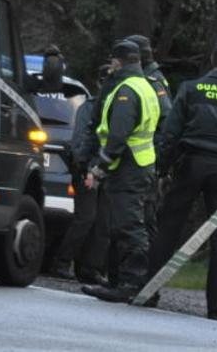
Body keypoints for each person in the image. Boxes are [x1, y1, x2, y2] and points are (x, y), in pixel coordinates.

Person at [145, 37, 217, 321]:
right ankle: (216, 309)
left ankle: (148, 290)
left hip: (190, 165)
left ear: (212, 61)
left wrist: (162, 168)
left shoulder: (190, 89)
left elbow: (171, 133)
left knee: (168, 227)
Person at [81, 39, 161, 303]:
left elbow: (117, 136)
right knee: (129, 224)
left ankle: (132, 284)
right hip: (141, 164)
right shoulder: (146, 85)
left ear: (118, 61)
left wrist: (98, 167)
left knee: (129, 226)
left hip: (127, 167)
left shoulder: (126, 90)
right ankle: (128, 283)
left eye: (113, 61)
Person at [49, 69, 106, 284]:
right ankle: (61, 262)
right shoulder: (89, 108)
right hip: (87, 169)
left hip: (104, 168)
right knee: (86, 218)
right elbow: (82, 139)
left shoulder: (112, 106)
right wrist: (85, 167)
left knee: (100, 221)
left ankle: (89, 268)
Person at [126, 33, 172, 246]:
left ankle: (146, 269)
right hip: (138, 159)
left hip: (145, 160)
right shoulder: (145, 78)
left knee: (144, 215)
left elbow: (165, 121)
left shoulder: (153, 81)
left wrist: (158, 158)